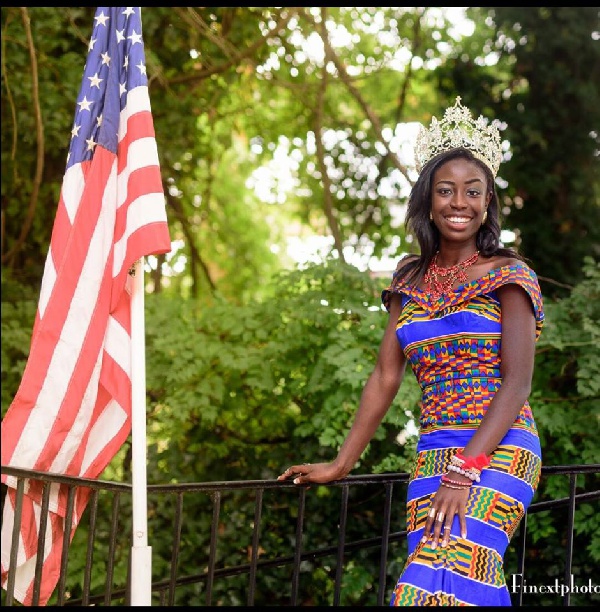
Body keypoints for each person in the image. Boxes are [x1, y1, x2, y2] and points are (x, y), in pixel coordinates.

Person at [277, 96, 544, 606]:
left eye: (473, 192)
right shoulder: (409, 278)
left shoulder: (511, 275)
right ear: (428, 199)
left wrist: (467, 470)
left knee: (447, 575)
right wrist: (340, 464)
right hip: (433, 451)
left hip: (500, 446)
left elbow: (517, 384)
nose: (458, 202)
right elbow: (384, 376)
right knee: (446, 583)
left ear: (488, 203)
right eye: (445, 191)